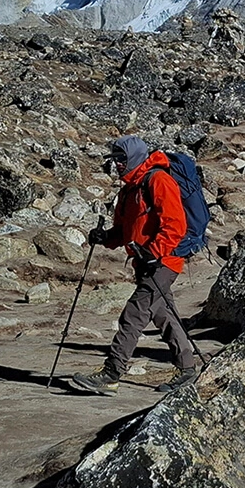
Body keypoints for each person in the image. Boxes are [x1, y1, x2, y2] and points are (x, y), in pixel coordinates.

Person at [72, 135, 196, 396]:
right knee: (165, 315)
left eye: (121, 158)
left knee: (133, 314)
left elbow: (176, 225)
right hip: (146, 262)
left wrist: (154, 252)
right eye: (115, 159)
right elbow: (124, 231)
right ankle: (186, 369)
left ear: (135, 157)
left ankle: (112, 373)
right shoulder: (130, 188)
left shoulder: (158, 180)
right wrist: (106, 237)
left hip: (163, 262)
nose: (116, 164)